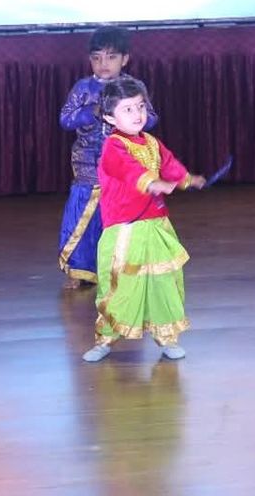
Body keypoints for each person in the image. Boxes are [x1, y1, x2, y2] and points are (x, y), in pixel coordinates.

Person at [83, 76, 205, 361]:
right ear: (110, 118)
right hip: (125, 229)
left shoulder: (151, 141)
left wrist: (187, 179)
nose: (138, 114)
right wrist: (152, 183)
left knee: (164, 280)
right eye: (128, 109)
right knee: (120, 285)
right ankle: (105, 338)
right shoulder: (112, 146)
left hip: (156, 224)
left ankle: (166, 337)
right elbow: (127, 169)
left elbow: (169, 163)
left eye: (140, 106)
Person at [57, 26, 153, 289]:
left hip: (124, 167)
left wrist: (131, 115)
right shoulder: (83, 88)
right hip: (88, 166)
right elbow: (65, 119)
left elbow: (151, 118)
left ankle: (123, 269)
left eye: (111, 57)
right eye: (97, 58)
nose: (103, 64)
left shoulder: (134, 88)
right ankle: (79, 270)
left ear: (125, 59)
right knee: (83, 218)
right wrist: (92, 111)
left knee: (123, 219)